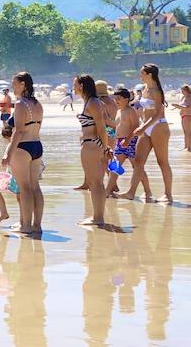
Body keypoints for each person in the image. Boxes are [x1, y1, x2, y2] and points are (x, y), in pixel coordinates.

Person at [122, 62, 174, 203]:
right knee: (138, 161)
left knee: (162, 162)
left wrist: (143, 127)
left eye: (142, 73)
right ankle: (131, 192)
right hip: (146, 127)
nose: (140, 75)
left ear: (149, 74)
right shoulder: (144, 89)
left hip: (158, 127)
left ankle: (168, 195)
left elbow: (158, 113)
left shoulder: (156, 91)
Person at [3, 71, 44, 237]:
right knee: (35, 187)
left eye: (14, 84)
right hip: (37, 145)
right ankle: (37, 225)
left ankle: (25, 226)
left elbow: (18, 131)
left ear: (23, 85)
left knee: (25, 188)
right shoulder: (37, 104)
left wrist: (8, 152)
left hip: (22, 147)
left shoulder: (20, 104)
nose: (12, 87)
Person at [73, 74, 114, 228]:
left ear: (82, 85)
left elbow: (103, 127)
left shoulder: (93, 102)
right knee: (95, 182)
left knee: (95, 183)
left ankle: (98, 217)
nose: (73, 87)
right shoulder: (92, 102)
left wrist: (105, 147)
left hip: (92, 145)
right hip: (93, 144)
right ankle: (97, 215)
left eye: (75, 84)